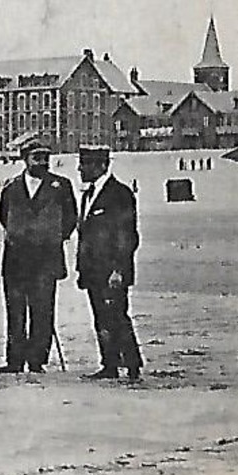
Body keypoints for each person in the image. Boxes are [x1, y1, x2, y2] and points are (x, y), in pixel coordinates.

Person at [0, 137, 79, 374]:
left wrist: (50, 238)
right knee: (15, 311)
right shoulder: (11, 187)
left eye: (46, 158)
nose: (43, 162)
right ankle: (14, 360)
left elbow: (70, 218)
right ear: (25, 159)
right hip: (16, 260)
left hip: (46, 259)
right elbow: (4, 216)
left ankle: (36, 360)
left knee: (42, 312)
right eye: (37, 158)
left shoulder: (61, 186)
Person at [75, 145, 144, 382]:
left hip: (111, 271)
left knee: (116, 316)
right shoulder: (88, 194)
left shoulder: (120, 194)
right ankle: (110, 363)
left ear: (101, 166)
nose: (80, 169)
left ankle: (132, 364)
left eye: (85, 165)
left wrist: (119, 269)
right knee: (101, 318)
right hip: (93, 270)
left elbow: (127, 237)